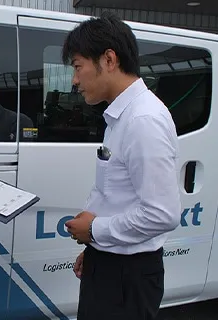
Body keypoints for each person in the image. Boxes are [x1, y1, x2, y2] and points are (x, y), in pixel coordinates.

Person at [63, 12, 181, 320]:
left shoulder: (143, 120)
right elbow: (114, 192)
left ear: (109, 59)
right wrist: (95, 246)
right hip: (111, 263)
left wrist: (95, 230)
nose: (75, 80)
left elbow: (161, 213)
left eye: (77, 67)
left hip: (128, 275)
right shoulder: (120, 116)